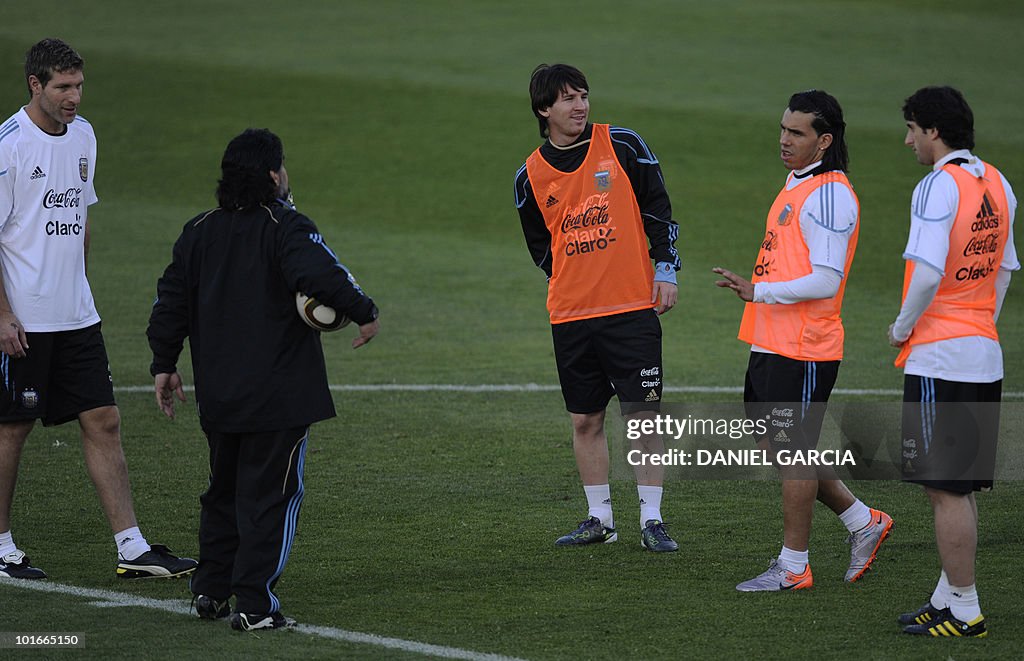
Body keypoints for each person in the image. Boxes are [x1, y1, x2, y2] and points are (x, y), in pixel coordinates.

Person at [147, 128, 380, 632]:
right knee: (270, 498)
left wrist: (163, 363)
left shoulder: (198, 230)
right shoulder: (286, 225)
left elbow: (169, 303)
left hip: (221, 397)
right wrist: (365, 312)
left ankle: (210, 590)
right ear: (274, 174)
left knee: (224, 491)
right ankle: (254, 605)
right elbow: (325, 276)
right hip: (279, 398)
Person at [0, 38, 196, 581]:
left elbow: (81, 217)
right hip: (23, 320)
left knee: (104, 420)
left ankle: (132, 548)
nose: (74, 97)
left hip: (76, 315)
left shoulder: (84, 136)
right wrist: (1, 314)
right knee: (12, 428)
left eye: (79, 85)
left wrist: (81, 290)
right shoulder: (8, 146)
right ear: (35, 85)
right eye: (63, 87)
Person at [714, 90, 893, 591]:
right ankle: (864, 522)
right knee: (781, 450)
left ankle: (793, 567)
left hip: (804, 346)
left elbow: (827, 279)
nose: (784, 140)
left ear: (824, 140)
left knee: (795, 453)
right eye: (783, 129)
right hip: (771, 341)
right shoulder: (799, 181)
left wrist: (758, 291)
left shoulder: (832, 196)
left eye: (797, 133)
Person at [514, 64, 682, 552]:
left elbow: (658, 208)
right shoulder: (529, 175)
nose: (580, 105)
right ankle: (600, 519)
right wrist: (576, 278)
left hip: (631, 308)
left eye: (583, 95)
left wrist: (664, 268)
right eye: (567, 98)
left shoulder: (623, 144)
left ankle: (652, 519)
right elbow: (540, 248)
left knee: (643, 417)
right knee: (585, 420)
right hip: (571, 315)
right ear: (544, 109)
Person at [889, 86, 1017, 638]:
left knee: (947, 489)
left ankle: (964, 609)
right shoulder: (997, 182)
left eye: (913, 129)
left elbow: (928, 272)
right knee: (951, 486)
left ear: (933, 131)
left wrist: (901, 327)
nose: (908, 140)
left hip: (941, 357)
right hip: (981, 352)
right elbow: (1006, 269)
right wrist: (980, 322)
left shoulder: (936, 186)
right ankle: (947, 596)